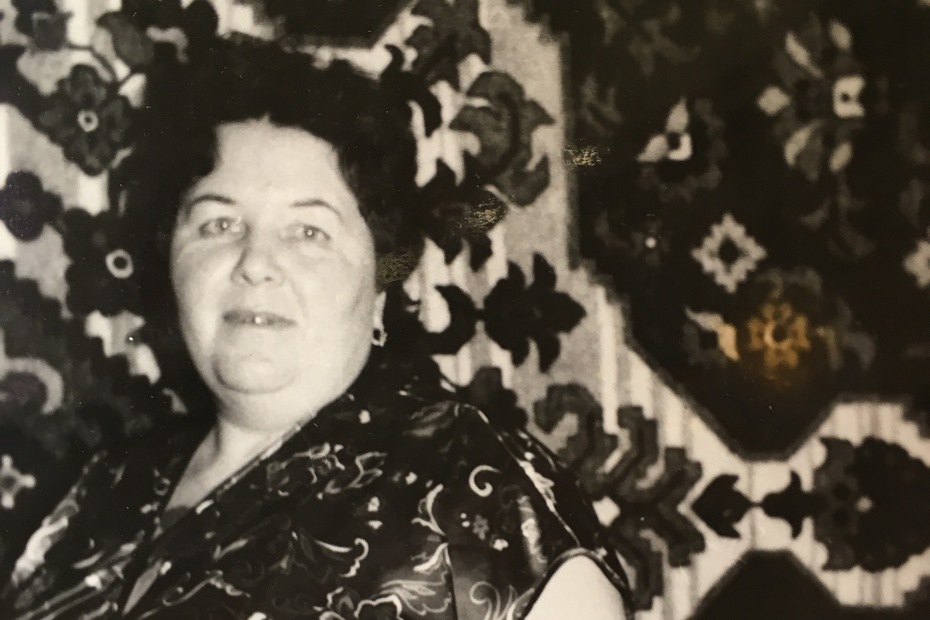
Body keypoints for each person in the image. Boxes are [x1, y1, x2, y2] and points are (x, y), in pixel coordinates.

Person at [1, 37, 632, 619]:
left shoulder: (488, 500)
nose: (255, 263)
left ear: (382, 281)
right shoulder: (106, 489)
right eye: (219, 224)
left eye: (309, 232)